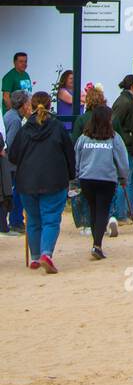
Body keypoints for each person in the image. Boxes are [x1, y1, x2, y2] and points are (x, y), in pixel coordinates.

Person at [8, 91, 75, 272]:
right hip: (54, 179)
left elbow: (13, 156)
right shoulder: (58, 127)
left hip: (27, 181)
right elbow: (70, 153)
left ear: (31, 106)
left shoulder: (24, 130)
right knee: (51, 219)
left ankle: (36, 257)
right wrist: (71, 175)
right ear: (49, 105)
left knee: (33, 220)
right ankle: (46, 253)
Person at [74, 103, 130, 259]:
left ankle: (95, 242)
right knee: (102, 211)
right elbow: (122, 161)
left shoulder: (84, 138)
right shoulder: (114, 138)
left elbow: (76, 158)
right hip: (106, 179)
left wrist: (77, 176)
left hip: (87, 179)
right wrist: (123, 177)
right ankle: (97, 244)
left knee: (93, 210)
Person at [111, 75, 133, 212]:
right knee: (124, 180)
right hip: (127, 146)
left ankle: (129, 210)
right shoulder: (124, 102)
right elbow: (114, 123)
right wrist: (126, 138)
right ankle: (120, 212)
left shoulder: (131, 100)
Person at [4, 89, 30, 234]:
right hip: (12, 164)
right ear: (22, 105)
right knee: (17, 192)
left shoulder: (10, 115)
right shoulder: (15, 120)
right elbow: (11, 143)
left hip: (9, 163)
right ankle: (16, 222)